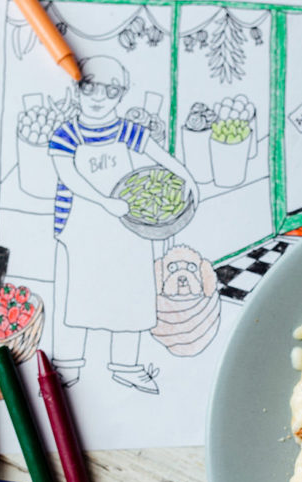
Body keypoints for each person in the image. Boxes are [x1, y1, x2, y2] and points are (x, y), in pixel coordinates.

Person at [48, 56, 198, 394]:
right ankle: (67, 364)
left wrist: (185, 174)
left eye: (110, 90)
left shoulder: (126, 130)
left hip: (128, 228)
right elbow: (68, 175)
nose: (100, 98)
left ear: (121, 95)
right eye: (91, 88)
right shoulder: (66, 134)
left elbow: (156, 152)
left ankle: (126, 365)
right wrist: (103, 201)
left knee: (130, 293)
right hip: (81, 229)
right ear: (77, 91)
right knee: (77, 296)